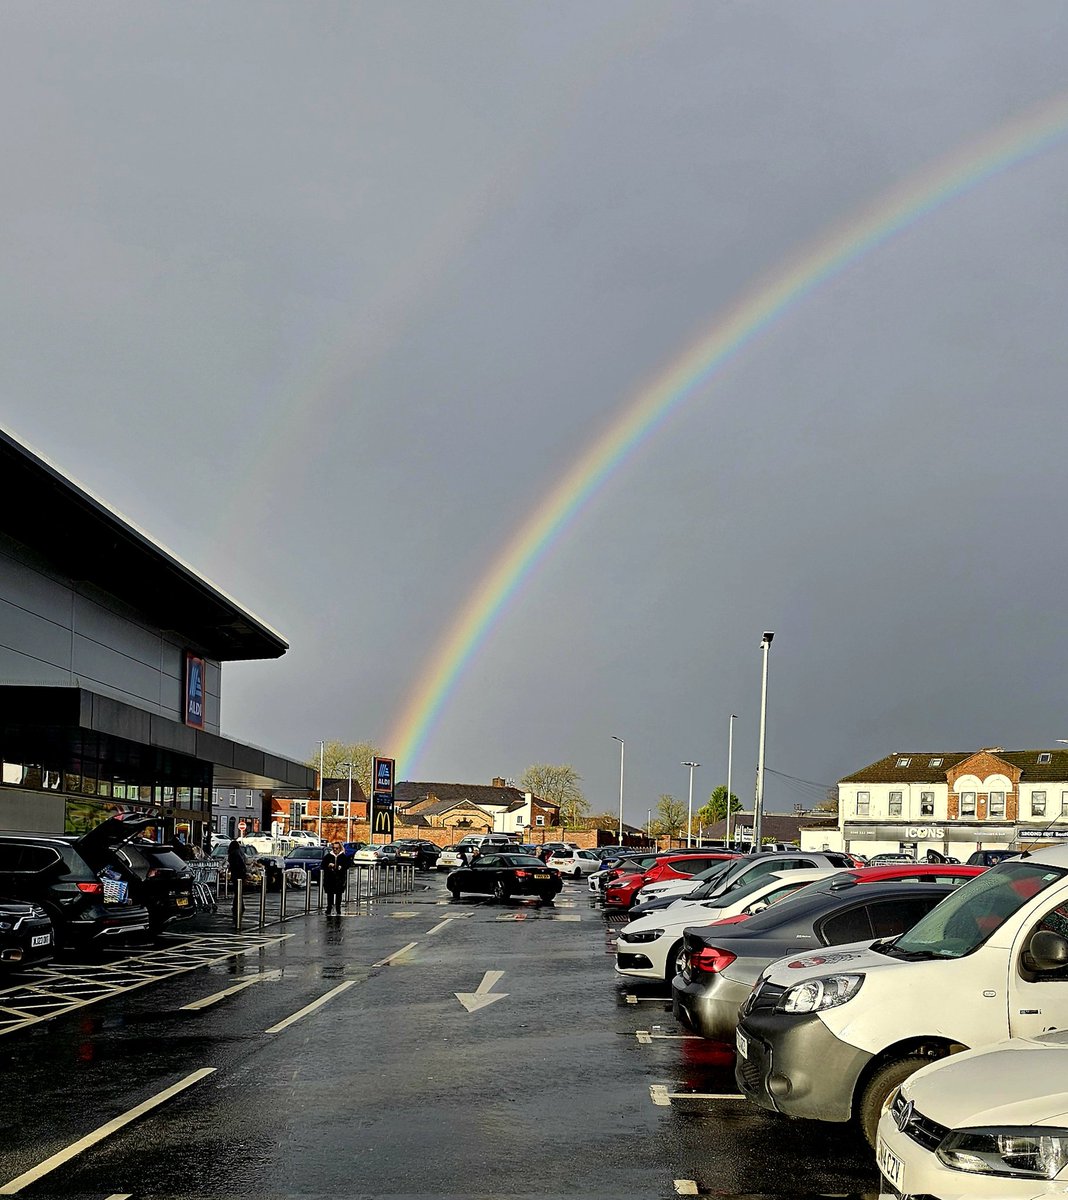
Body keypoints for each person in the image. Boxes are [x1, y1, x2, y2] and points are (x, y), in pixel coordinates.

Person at [322, 840, 350, 915]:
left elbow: (347, 866)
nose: (335, 850)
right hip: (329, 878)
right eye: (334, 848)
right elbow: (323, 865)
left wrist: (341, 867)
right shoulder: (328, 856)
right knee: (330, 894)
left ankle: (338, 908)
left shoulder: (343, 857)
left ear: (340, 848)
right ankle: (329, 908)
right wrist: (328, 866)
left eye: (337, 848)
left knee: (339, 895)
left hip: (339, 879)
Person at [227, 837, 248, 920]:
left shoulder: (233, 853)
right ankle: (239, 905)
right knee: (239, 892)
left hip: (235, 875)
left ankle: (238, 906)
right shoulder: (238, 853)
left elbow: (236, 865)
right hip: (239, 875)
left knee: (237, 892)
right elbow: (242, 864)